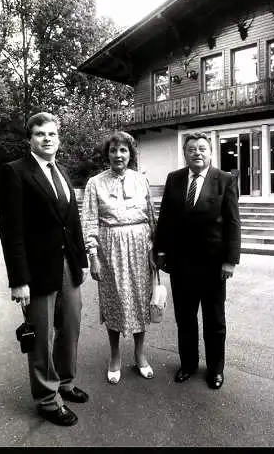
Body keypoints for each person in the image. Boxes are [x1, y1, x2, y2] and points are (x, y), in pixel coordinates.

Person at [0, 112, 89, 427]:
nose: (47, 138)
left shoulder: (62, 171)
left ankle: (65, 382)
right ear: (29, 139)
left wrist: (83, 262)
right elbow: (12, 232)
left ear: (58, 138)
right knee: (42, 337)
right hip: (36, 270)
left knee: (71, 327)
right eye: (39, 134)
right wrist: (19, 280)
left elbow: (72, 223)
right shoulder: (15, 172)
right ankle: (48, 400)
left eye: (51, 133)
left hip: (68, 265)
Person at [153, 132, 241, 390]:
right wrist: (160, 252)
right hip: (180, 264)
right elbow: (166, 219)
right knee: (185, 318)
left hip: (213, 265)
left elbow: (233, 222)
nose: (197, 153)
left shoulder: (224, 180)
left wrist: (230, 261)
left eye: (202, 148)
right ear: (185, 153)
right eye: (192, 149)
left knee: (214, 321)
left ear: (211, 152)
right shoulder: (175, 179)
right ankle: (188, 364)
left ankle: (215, 369)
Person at [81, 131, 156, 385]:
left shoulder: (141, 180)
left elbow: (152, 217)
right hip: (109, 247)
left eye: (123, 150)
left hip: (139, 247)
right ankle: (114, 356)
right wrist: (93, 256)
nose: (118, 155)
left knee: (139, 300)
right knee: (113, 301)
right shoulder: (95, 183)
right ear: (108, 154)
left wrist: (154, 250)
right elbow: (90, 221)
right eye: (113, 150)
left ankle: (139, 354)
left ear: (130, 154)